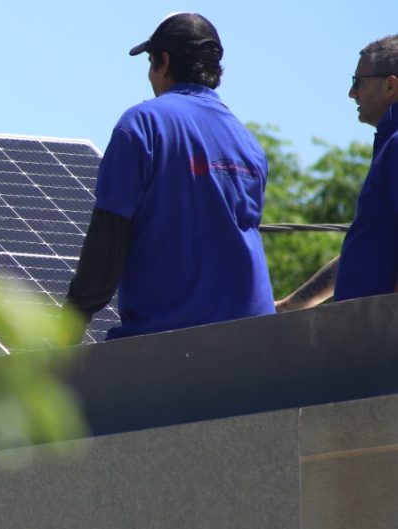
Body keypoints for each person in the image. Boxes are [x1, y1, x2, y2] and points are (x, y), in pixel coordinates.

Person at [65, 13, 274, 340]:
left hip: (169, 345)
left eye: (150, 62)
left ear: (163, 61)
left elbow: (109, 238)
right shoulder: (249, 143)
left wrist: (72, 317)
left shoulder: (143, 124)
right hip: (256, 337)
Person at [276, 35, 398, 312]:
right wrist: (291, 305)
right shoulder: (389, 144)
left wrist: (390, 325)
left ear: (390, 86)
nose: (352, 93)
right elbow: (364, 251)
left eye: (359, 82)